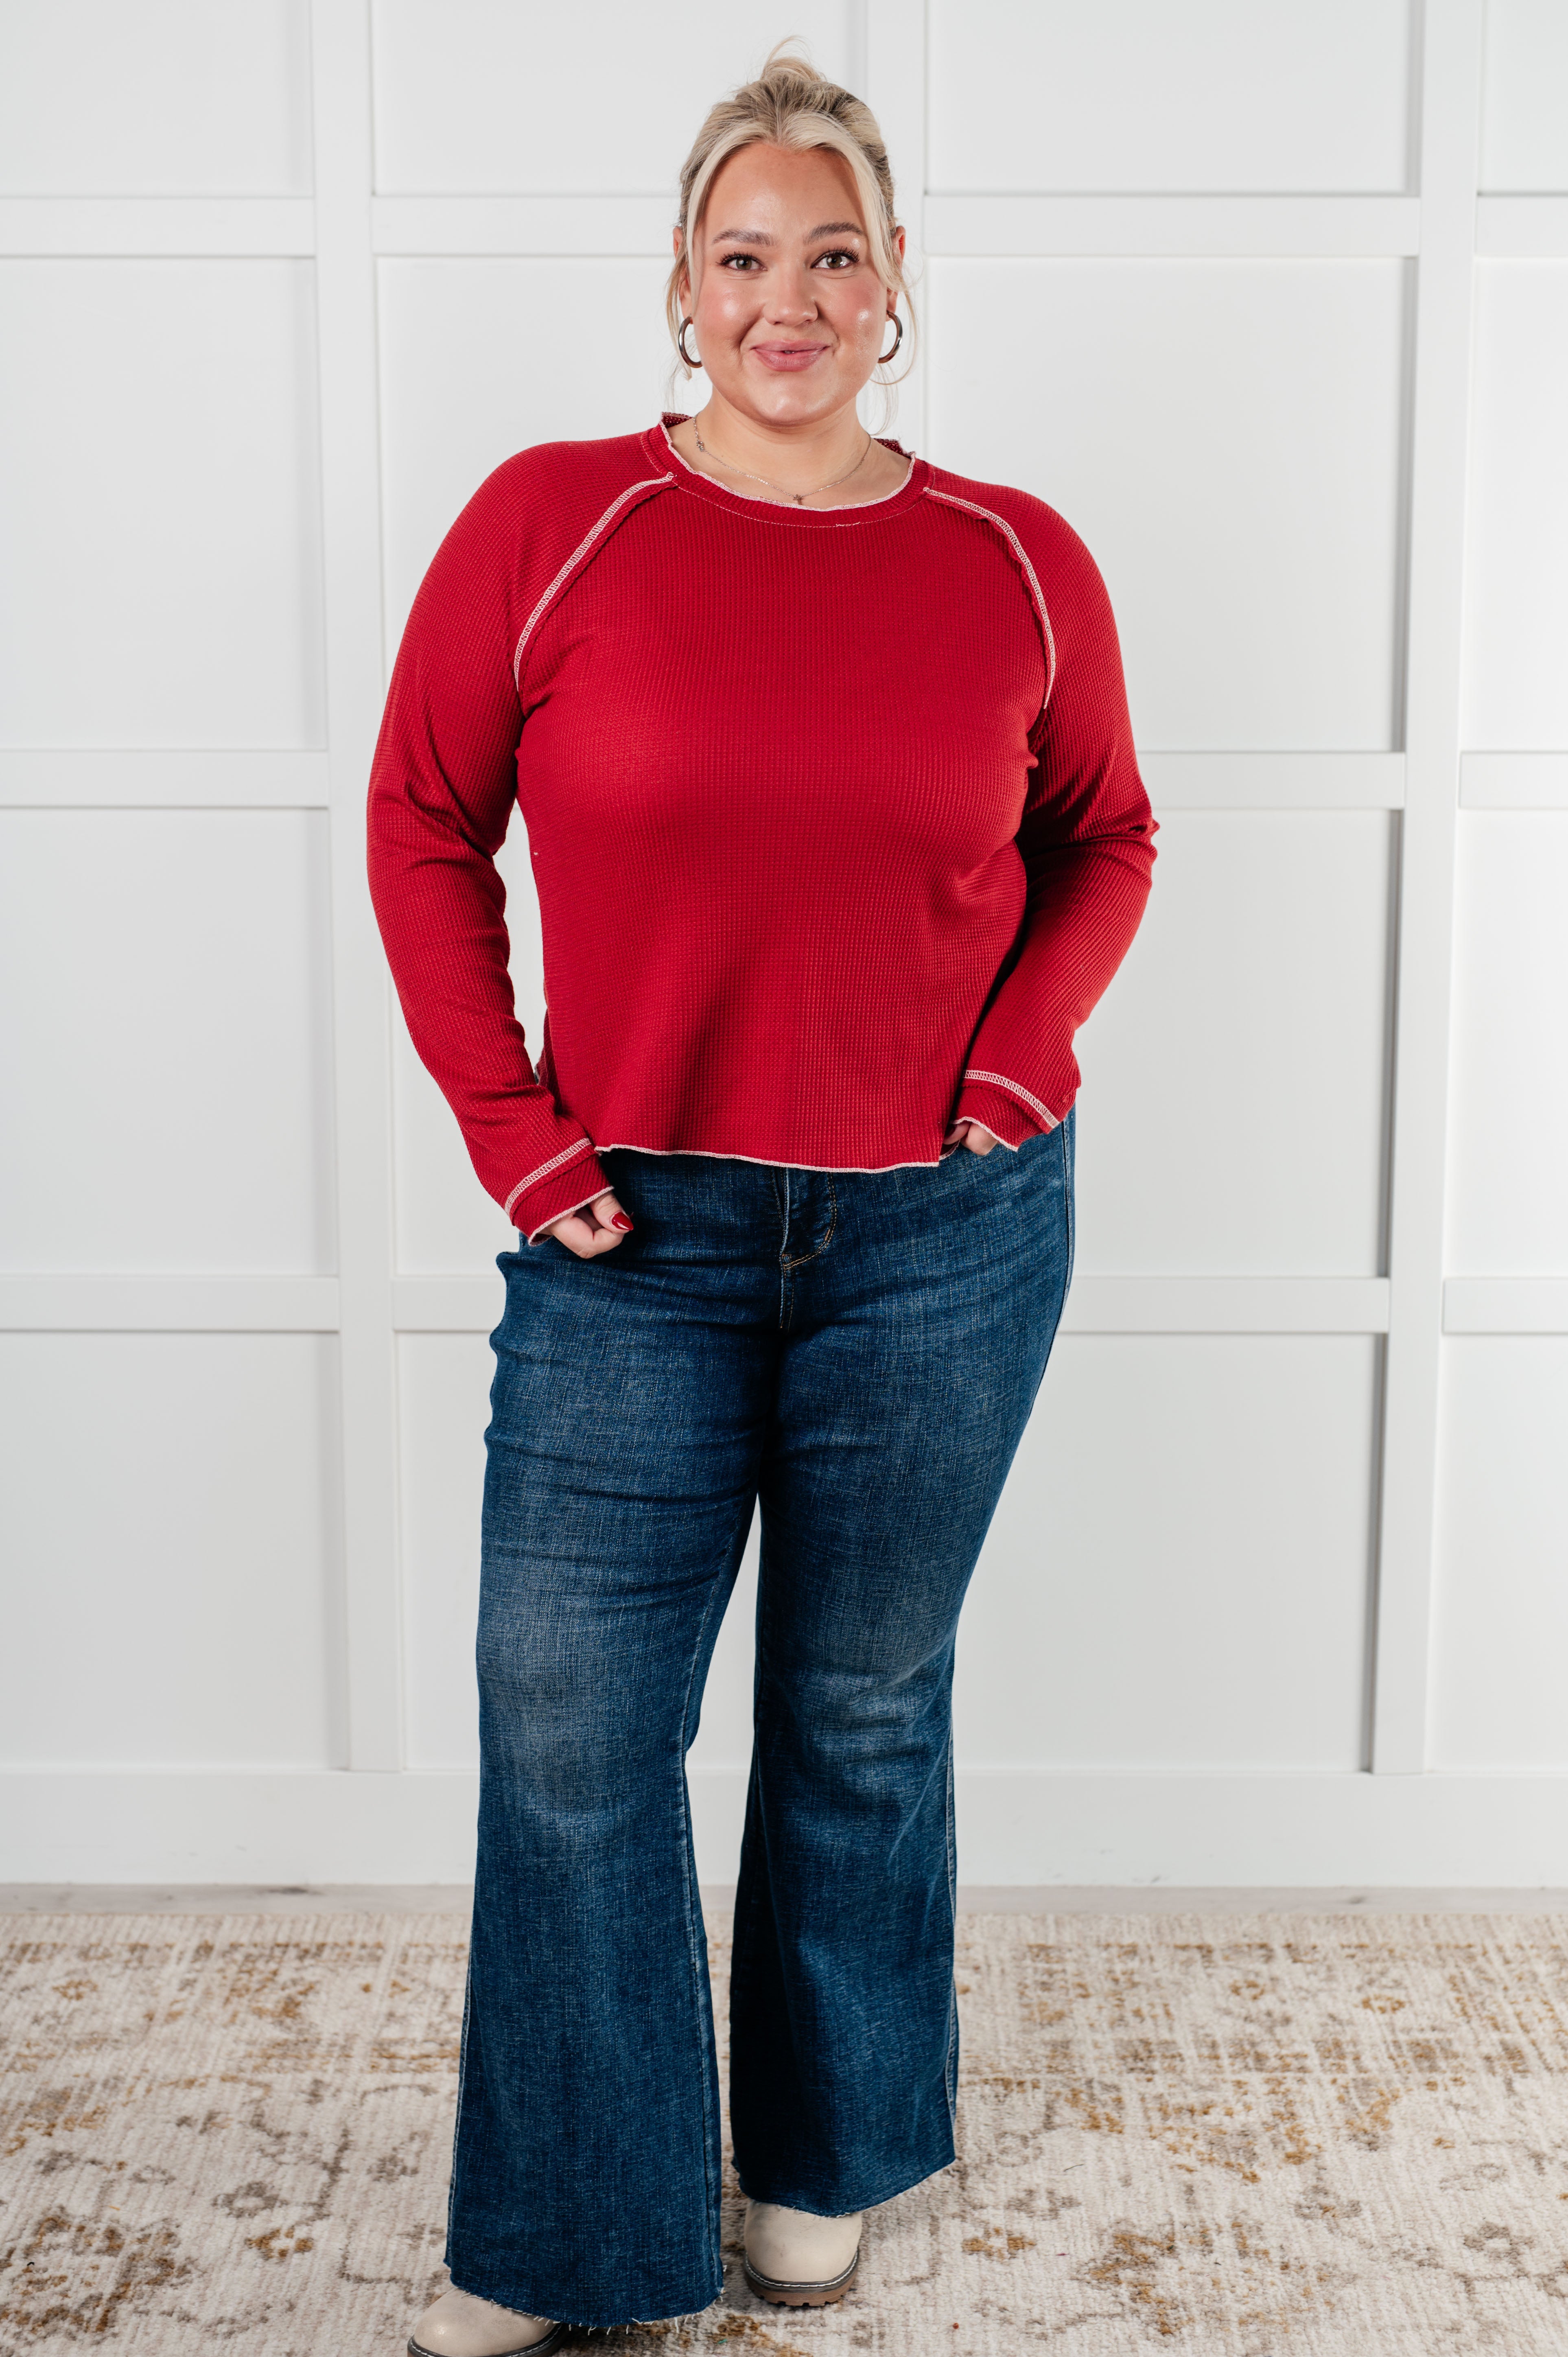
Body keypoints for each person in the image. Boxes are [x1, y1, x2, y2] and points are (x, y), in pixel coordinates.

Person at [368, 44, 1154, 2357]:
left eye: (834, 254)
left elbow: (1104, 837)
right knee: (570, 1722)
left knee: (860, 1704)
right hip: (632, 1234)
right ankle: (577, 2233)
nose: (787, 296)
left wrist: (1023, 1058)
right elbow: (424, 823)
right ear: (682, 287)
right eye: (744, 256)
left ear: (895, 284)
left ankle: (820, 2155)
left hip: (943, 1229)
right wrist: (512, 1126)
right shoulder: (554, 523)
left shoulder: (1015, 559)